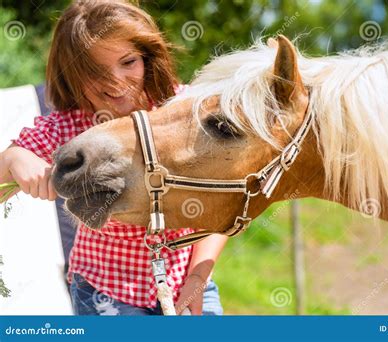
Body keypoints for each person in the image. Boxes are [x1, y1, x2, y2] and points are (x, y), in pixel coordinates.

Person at [0, 0, 228, 315]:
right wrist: (14, 158)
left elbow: (222, 206)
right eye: (96, 71)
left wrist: (199, 276)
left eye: (128, 62)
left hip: (189, 282)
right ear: (74, 73)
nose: (116, 81)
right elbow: (7, 164)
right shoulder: (72, 125)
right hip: (106, 293)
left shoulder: (183, 110)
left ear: (148, 57)